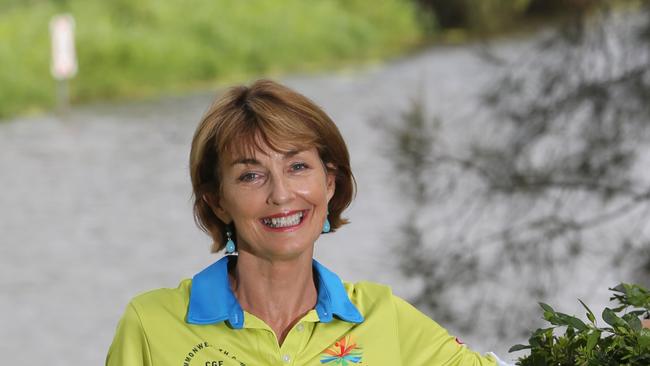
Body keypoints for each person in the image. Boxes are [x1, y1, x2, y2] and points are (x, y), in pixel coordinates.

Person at [106, 80, 511, 365]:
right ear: (217, 201)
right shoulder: (151, 325)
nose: (281, 194)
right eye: (251, 175)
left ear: (329, 183)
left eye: (298, 166)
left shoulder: (385, 318)